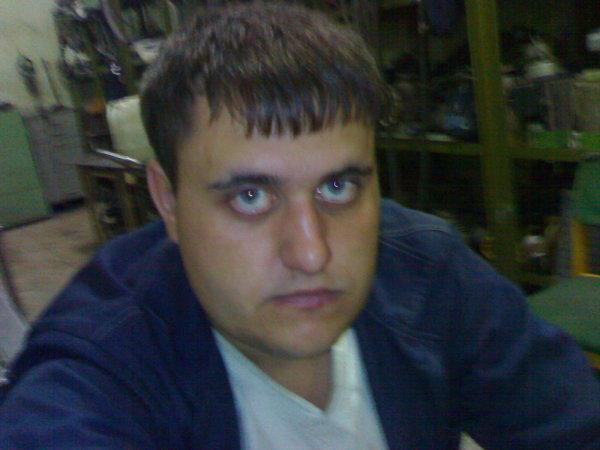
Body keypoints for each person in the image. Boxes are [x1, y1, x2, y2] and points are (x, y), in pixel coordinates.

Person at [1, 2, 599, 448]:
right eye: (250, 197)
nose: (312, 253)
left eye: (338, 188)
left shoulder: (428, 274)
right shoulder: (103, 370)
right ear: (168, 201)